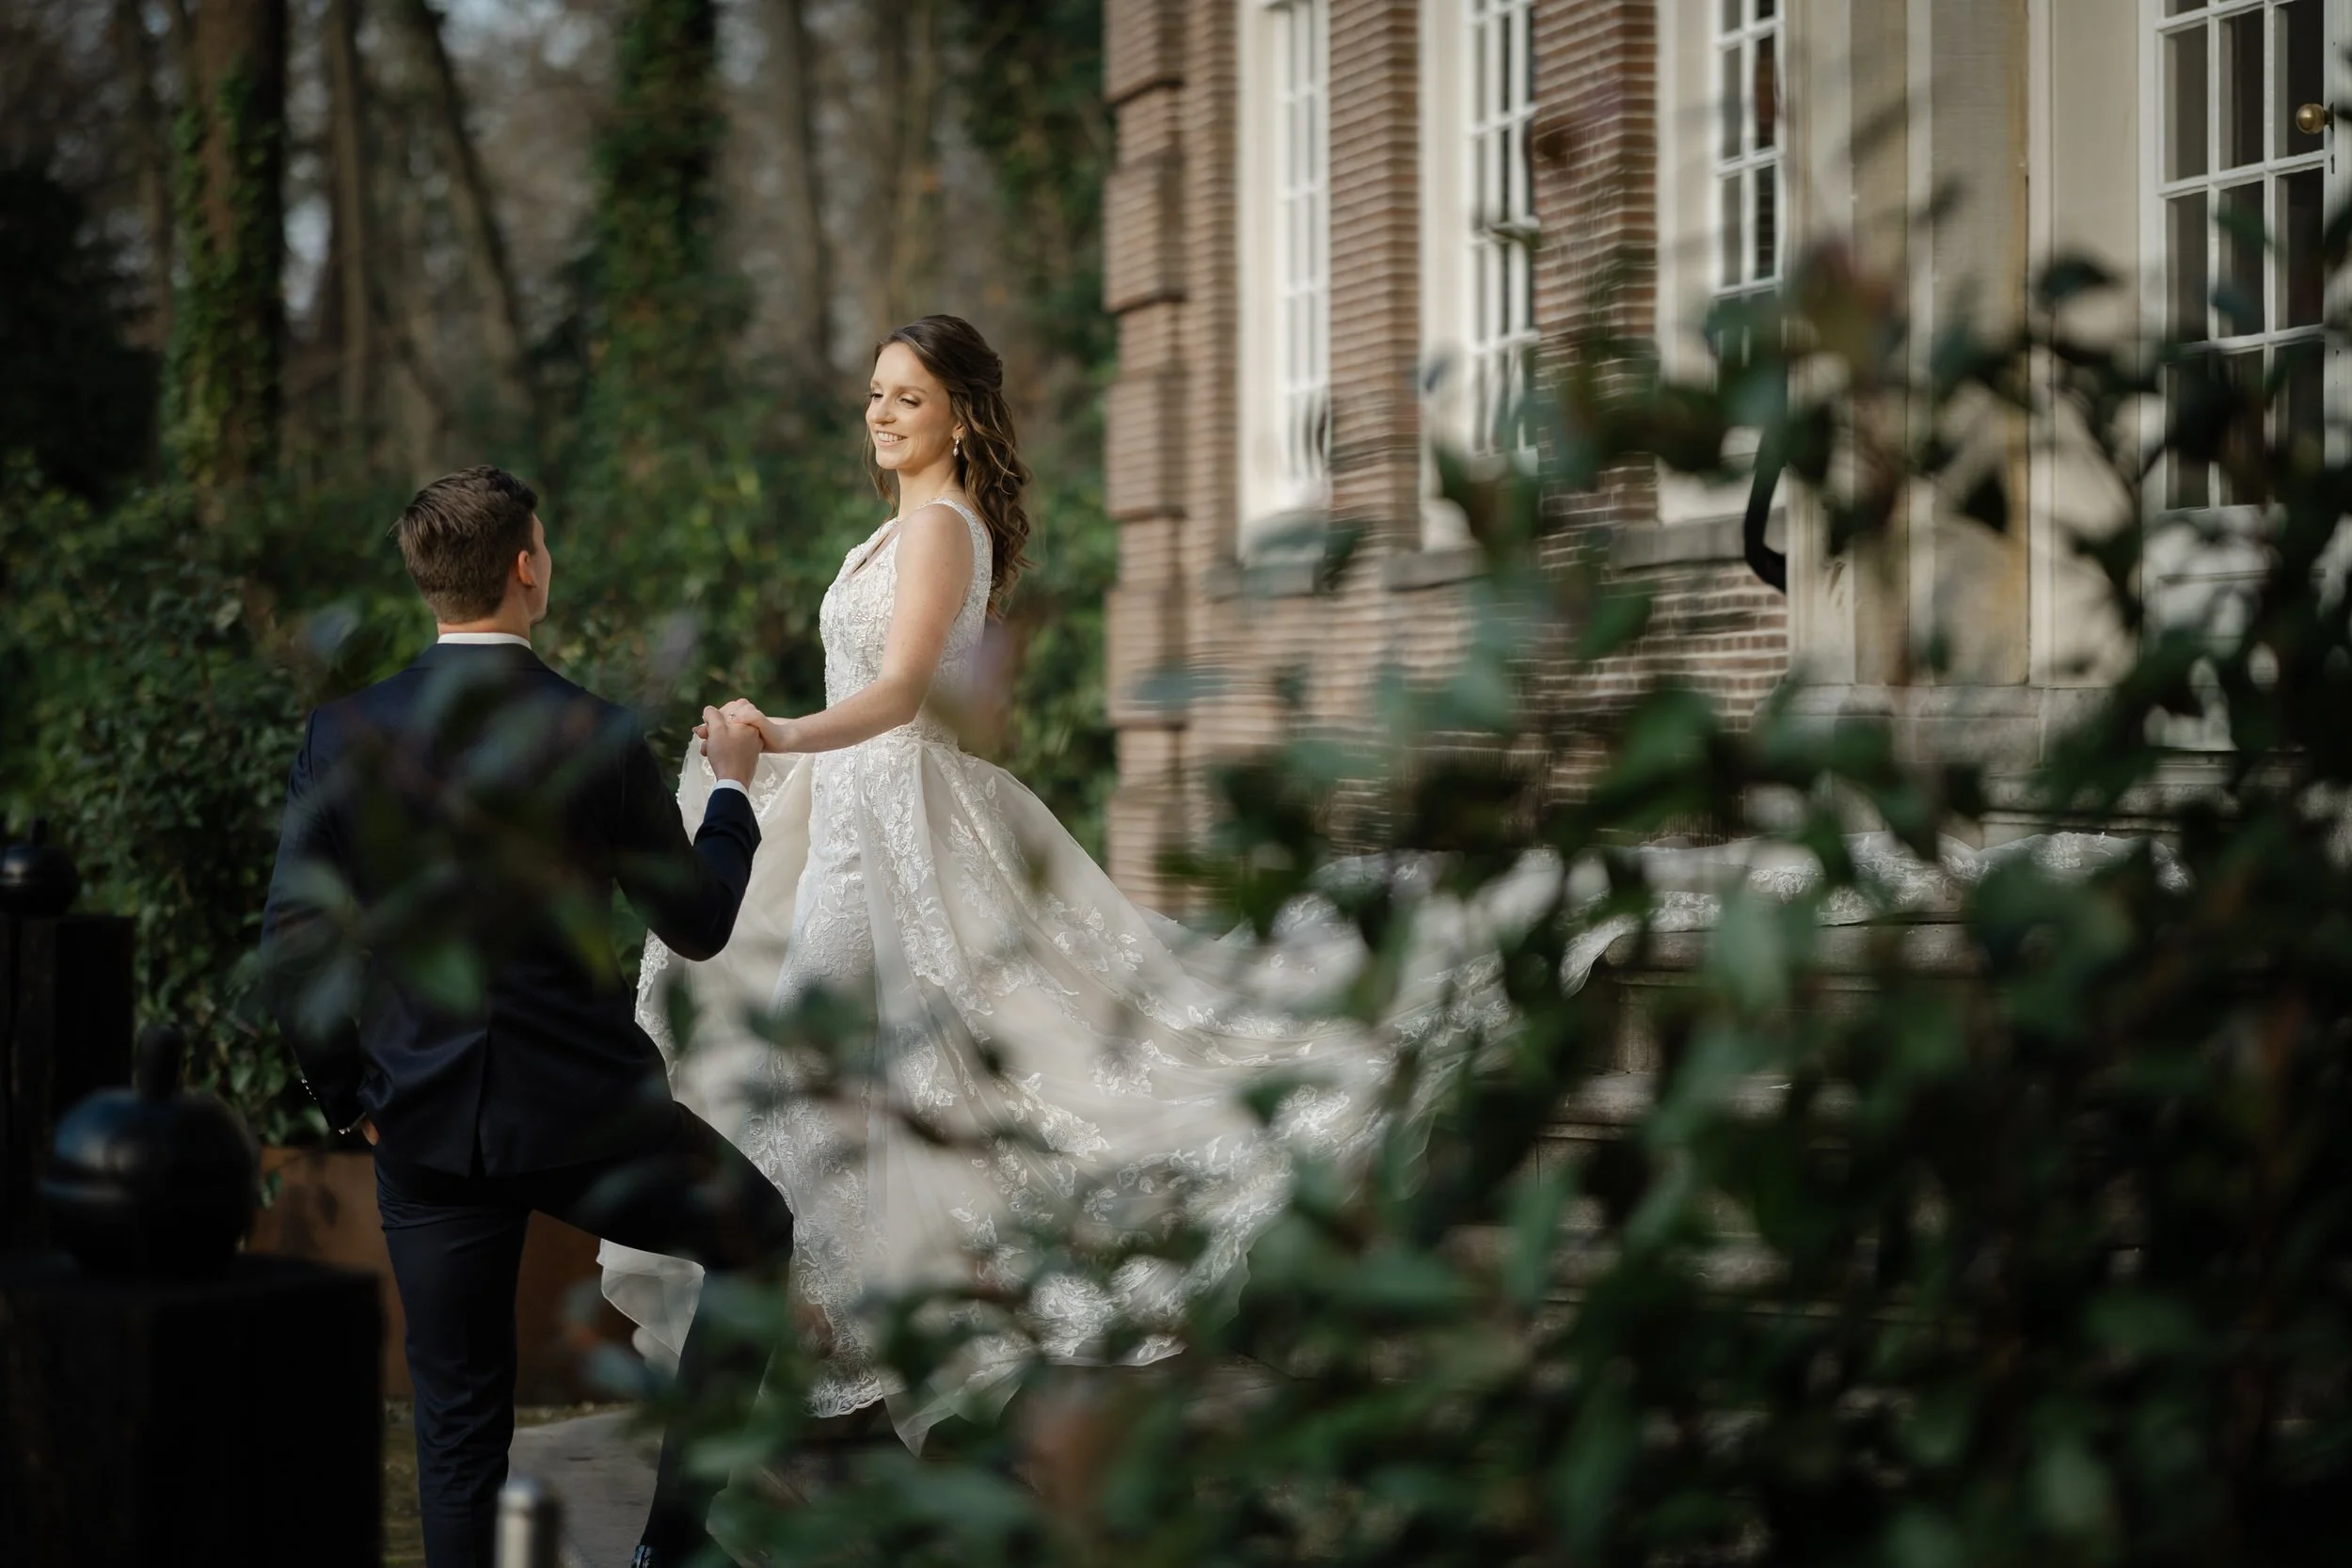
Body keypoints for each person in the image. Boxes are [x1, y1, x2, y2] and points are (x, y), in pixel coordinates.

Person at [600, 316, 1429, 1447]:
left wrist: (778, 734)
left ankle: (859, 1351)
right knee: (843, 1073)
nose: (880, 414)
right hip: (856, 812)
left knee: (841, 1067)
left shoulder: (943, 525)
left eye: (907, 398)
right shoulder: (895, 530)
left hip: (890, 812)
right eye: (876, 394)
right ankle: (839, 1345)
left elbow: (900, 696)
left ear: (962, 414)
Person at [261, 466, 797, 1568]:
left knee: (458, 1433)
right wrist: (733, 793)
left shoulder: (345, 732)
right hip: (591, 1118)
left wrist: (351, 1098)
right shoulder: (592, 731)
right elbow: (695, 921)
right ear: (523, 567)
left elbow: (294, 945)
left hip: (421, 1118)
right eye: (542, 544)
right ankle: (674, 1545)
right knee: (758, 1236)